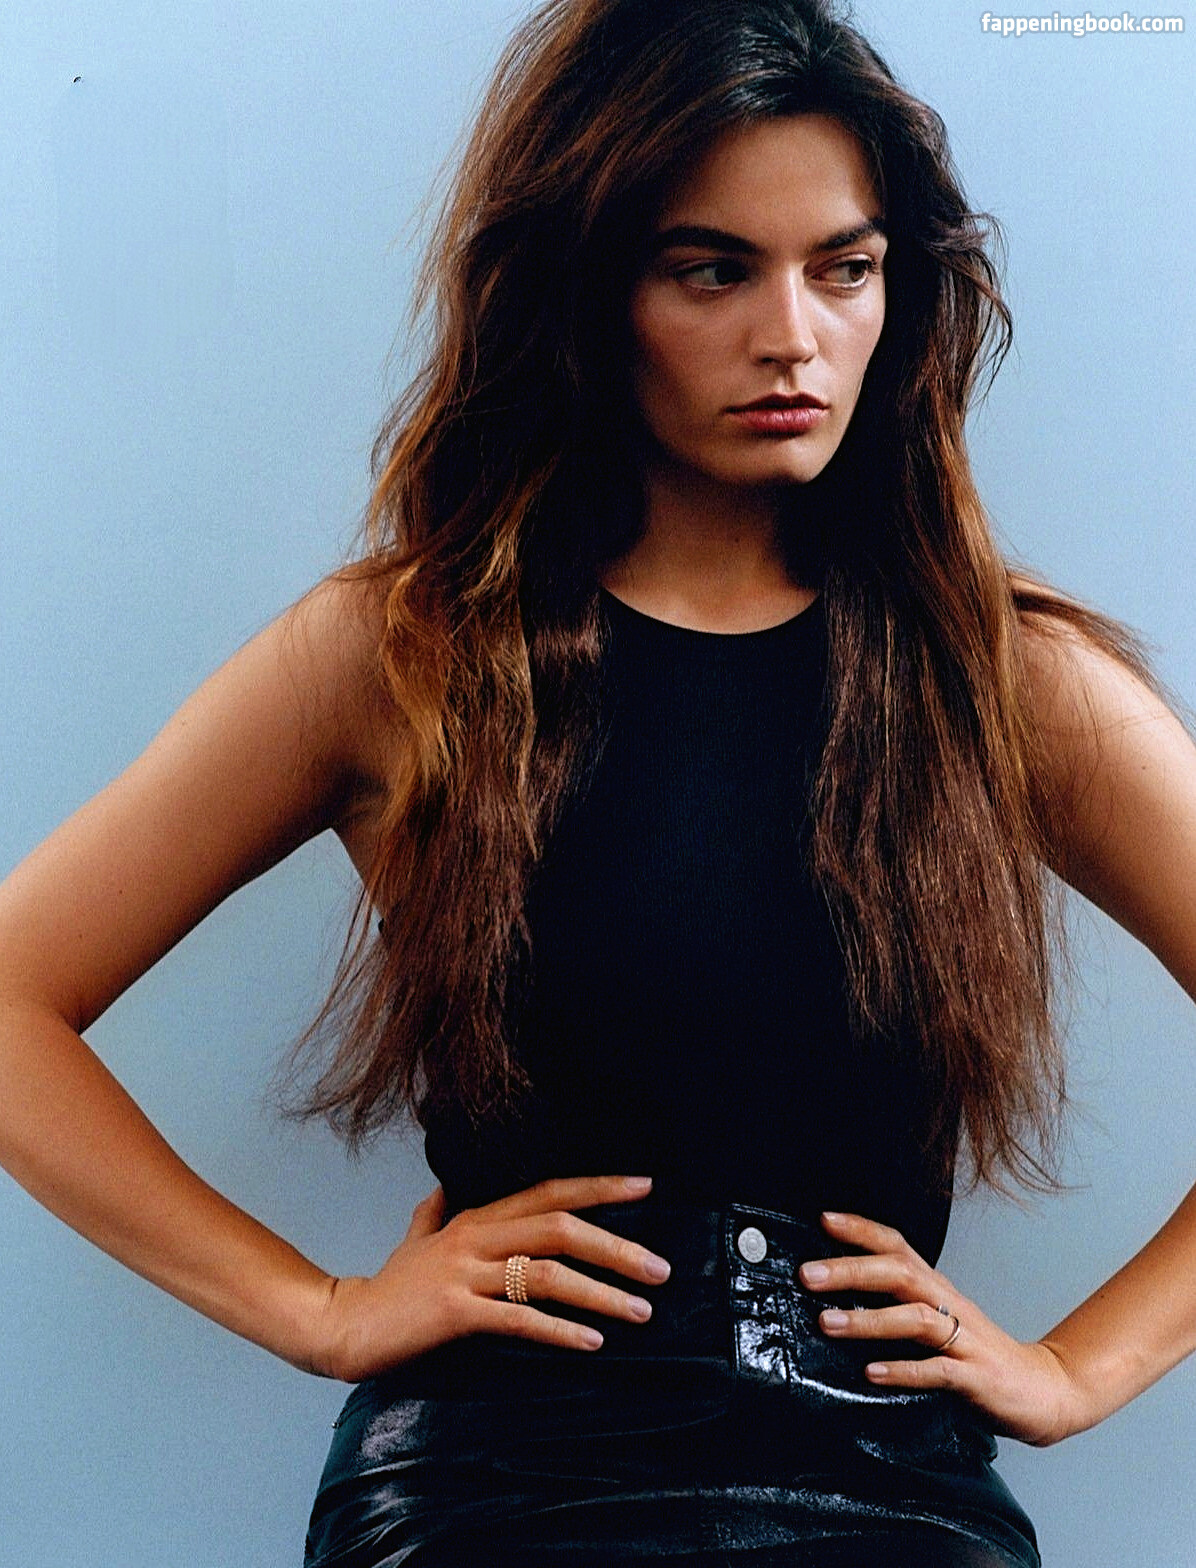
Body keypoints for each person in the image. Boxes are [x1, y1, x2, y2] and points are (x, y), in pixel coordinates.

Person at [2, 0, 1195, 1562]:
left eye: (845, 268)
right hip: (494, 1484)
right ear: (584, 289)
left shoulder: (1001, 677)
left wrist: (1085, 1370)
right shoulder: (405, 652)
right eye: (712, 270)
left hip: (885, 1486)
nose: (794, 336)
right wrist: (320, 1312)